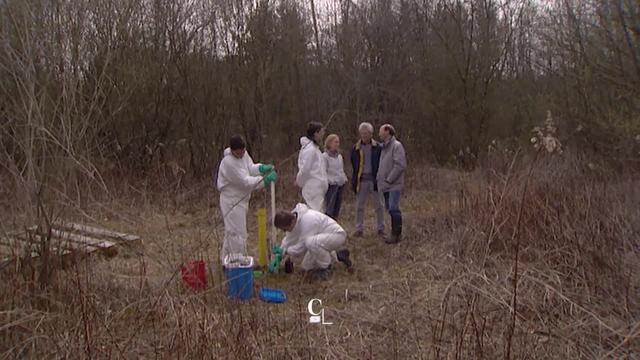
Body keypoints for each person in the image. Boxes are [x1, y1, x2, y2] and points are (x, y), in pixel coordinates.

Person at [217, 135, 277, 262]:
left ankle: (226, 260)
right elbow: (245, 181)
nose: (242, 154)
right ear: (232, 151)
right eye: (239, 152)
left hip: (242, 199)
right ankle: (238, 262)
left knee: (232, 231)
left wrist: (260, 168)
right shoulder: (228, 163)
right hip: (231, 200)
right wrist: (264, 180)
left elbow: (249, 168)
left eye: (243, 151)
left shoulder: (244, 155)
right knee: (237, 232)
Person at [274, 203, 352, 281]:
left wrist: (287, 251)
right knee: (306, 267)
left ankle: (326, 268)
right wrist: (280, 253)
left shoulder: (308, 220)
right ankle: (339, 256)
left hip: (337, 235)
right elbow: (289, 239)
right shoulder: (295, 220)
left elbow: (302, 246)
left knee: (310, 243)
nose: (284, 231)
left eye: (284, 229)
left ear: (290, 223)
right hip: (322, 238)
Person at [350, 122, 385, 238]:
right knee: (359, 206)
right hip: (362, 181)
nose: (364, 136)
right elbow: (354, 165)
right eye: (362, 133)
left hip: (375, 180)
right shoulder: (355, 148)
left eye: (366, 133)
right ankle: (358, 229)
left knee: (379, 205)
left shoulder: (379, 148)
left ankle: (381, 228)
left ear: (371, 134)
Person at [377, 124, 406, 244]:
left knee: (394, 208)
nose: (379, 134)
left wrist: (389, 179)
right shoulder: (383, 147)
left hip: (393, 184)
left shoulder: (396, 146)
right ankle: (394, 234)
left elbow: (400, 165)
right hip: (385, 185)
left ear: (387, 131)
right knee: (390, 209)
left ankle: (396, 234)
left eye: (380, 131)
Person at [296, 122, 327, 212]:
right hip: (312, 190)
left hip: (318, 190)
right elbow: (305, 170)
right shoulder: (310, 150)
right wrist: (299, 182)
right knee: (314, 214)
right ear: (315, 133)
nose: (322, 135)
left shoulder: (315, 149)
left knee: (318, 214)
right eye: (321, 133)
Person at [323, 134, 348, 220]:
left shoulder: (339, 156)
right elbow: (323, 171)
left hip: (339, 184)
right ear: (329, 143)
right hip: (330, 185)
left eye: (338, 142)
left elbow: (341, 170)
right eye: (335, 142)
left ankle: (335, 222)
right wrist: (330, 180)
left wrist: (343, 179)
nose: (337, 144)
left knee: (337, 207)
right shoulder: (325, 156)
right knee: (329, 207)